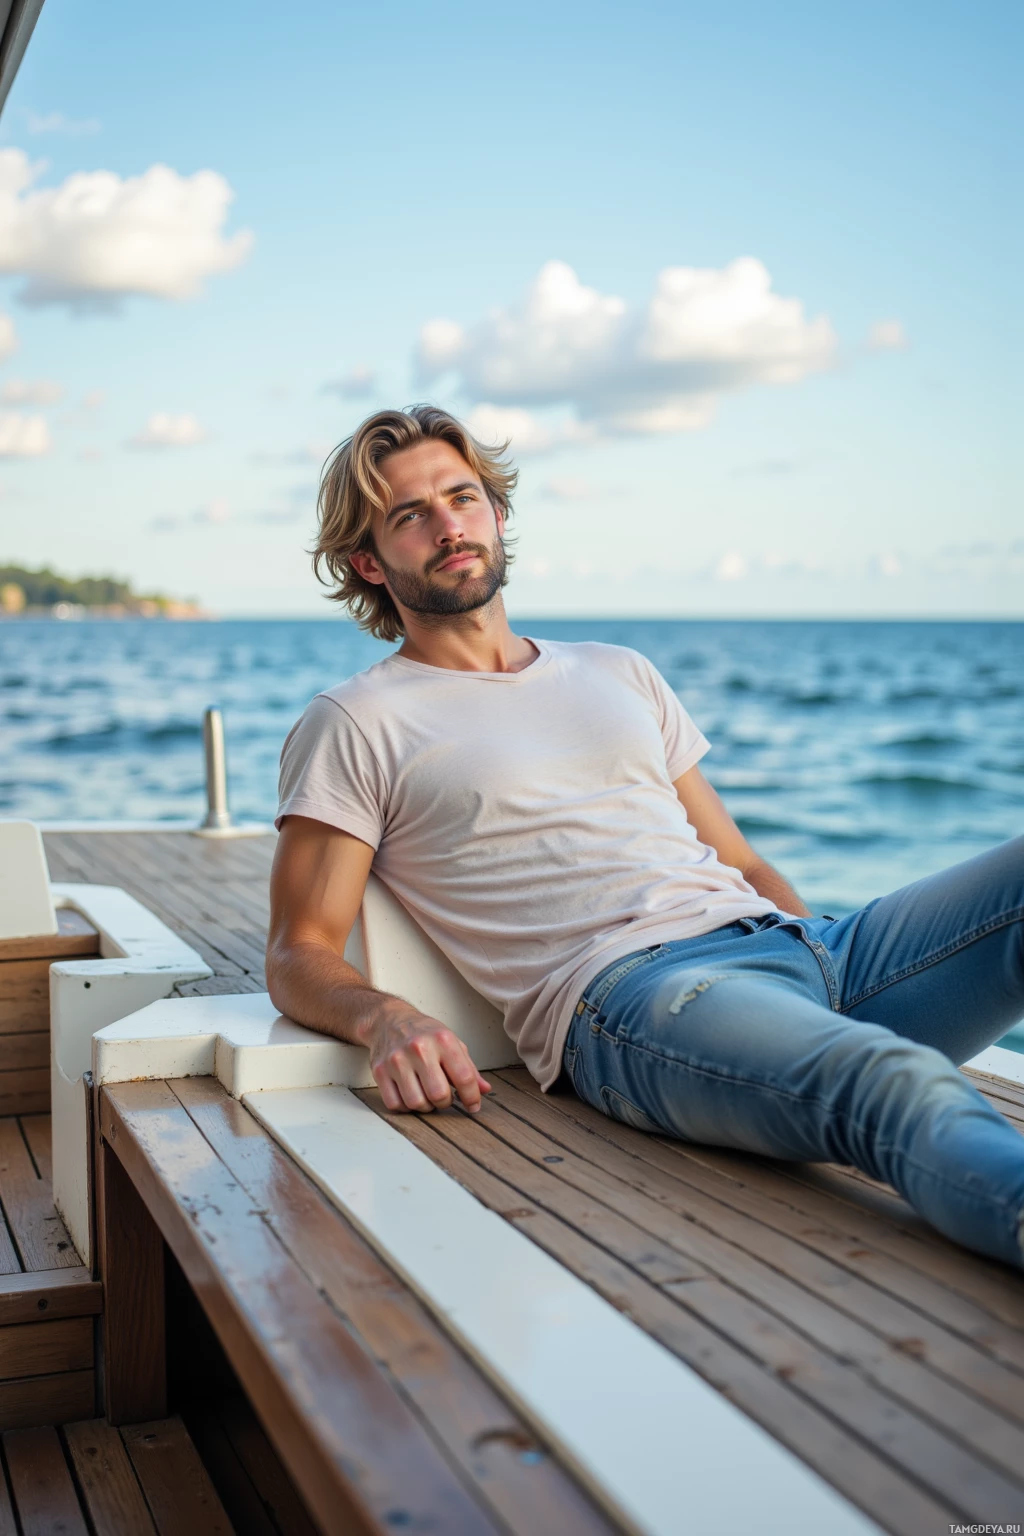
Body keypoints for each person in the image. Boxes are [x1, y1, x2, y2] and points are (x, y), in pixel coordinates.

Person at [267, 404, 1024, 1270]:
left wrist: (816, 964)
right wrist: (387, 1018)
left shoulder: (618, 669)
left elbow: (740, 861)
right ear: (368, 562)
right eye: (412, 515)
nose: (449, 527)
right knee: (895, 1082)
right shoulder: (356, 721)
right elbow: (298, 950)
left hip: (808, 950)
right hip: (642, 997)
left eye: (463, 497)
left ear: (497, 513)